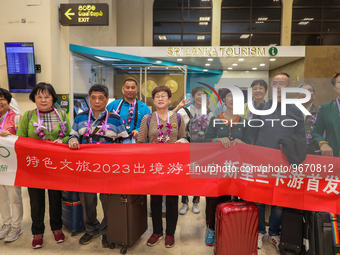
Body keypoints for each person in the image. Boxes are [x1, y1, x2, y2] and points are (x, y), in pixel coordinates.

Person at [68, 84, 130, 248]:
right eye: (93, 97)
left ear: (106, 99)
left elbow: (126, 139)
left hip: (107, 168)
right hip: (86, 168)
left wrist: (122, 152)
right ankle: (91, 229)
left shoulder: (115, 118)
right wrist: (73, 141)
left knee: (107, 201)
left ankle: (106, 231)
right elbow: (72, 135)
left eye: (101, 98)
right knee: (87, 201)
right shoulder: (80, 117)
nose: (97, 101)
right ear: (89, 99)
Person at [250, 73, 305, 250]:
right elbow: (252, 134)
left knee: (278, 201)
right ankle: (259, 232)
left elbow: (301, 137)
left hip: (284, 163)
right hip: (261, 160)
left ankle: (274, 232)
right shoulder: (261, 107)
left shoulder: (296, 110)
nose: (278, 86)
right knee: (258, 198)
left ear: (289, 87)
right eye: (274, 83)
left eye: (282, 83)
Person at [16, 82, 72, 249]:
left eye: (47, 96)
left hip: (55, 165)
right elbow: (20, 139)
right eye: (39, 96)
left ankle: (56, 228)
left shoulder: (62, 115)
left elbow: (70, 135)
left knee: (55, 199)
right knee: (36, 201)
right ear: (33, 98)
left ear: (53, 98)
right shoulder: (28, 116)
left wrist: (61, 140)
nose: (43, 99)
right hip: (34, 167)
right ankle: (37, 232)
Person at [137, 85, 188, 248]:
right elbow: (140, 143)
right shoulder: (148, 118)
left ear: (169, 99)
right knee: (156, 199)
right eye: (157, 96)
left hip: (173, 165)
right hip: (154, 165)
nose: (160, 98)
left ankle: (170, 233)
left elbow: (183, 138)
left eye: (163, 96)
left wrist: (182, 142)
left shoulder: (177, 118)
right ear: (153, 100)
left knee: (173, 200)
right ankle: (157, 231)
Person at [203, 88, 251, 246]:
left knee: (238, 196)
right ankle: (212, 228)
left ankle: (234, 227)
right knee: (216, 196)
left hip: (238, 166)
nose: (233, 100)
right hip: (218, 166)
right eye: (229, 96)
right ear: (224, 100)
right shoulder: (215, 119)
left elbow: (251, 144)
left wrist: (242, 143)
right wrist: (217, 139)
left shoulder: (244, 121)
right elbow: (205, 141)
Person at [173, 87, 214, 215]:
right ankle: (184, 202)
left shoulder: (210, 113)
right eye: (198, 94)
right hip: (186, 147)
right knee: (185, 176)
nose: (200, 97)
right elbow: (170, 118)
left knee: (198, 175)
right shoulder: (185, 111)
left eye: (203, 95)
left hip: (202, 149)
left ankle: (196, 201)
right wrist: (178, 107)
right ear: (194, 96)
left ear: (207, 99)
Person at [0, 88, 23, 243]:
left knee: (14, 197)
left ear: (8, 101)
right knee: (1, 198)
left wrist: (12, 136)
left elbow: (22, 140)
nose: (0, 102)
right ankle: (6, 224)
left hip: (12, 166)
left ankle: (17, 226)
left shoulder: (16, 118)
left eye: (2, 99)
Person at [312, 72, 340, 157]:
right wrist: (323, 143)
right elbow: (316, 132)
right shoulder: (326, 107)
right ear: (334, 87)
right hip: (334, 157)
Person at [296, 82, 318, 147]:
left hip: (314, 148)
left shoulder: (320, 111)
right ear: (297, 95)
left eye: (309, 91)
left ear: (314, 95)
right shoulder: (289, 110)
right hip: (294, 148)